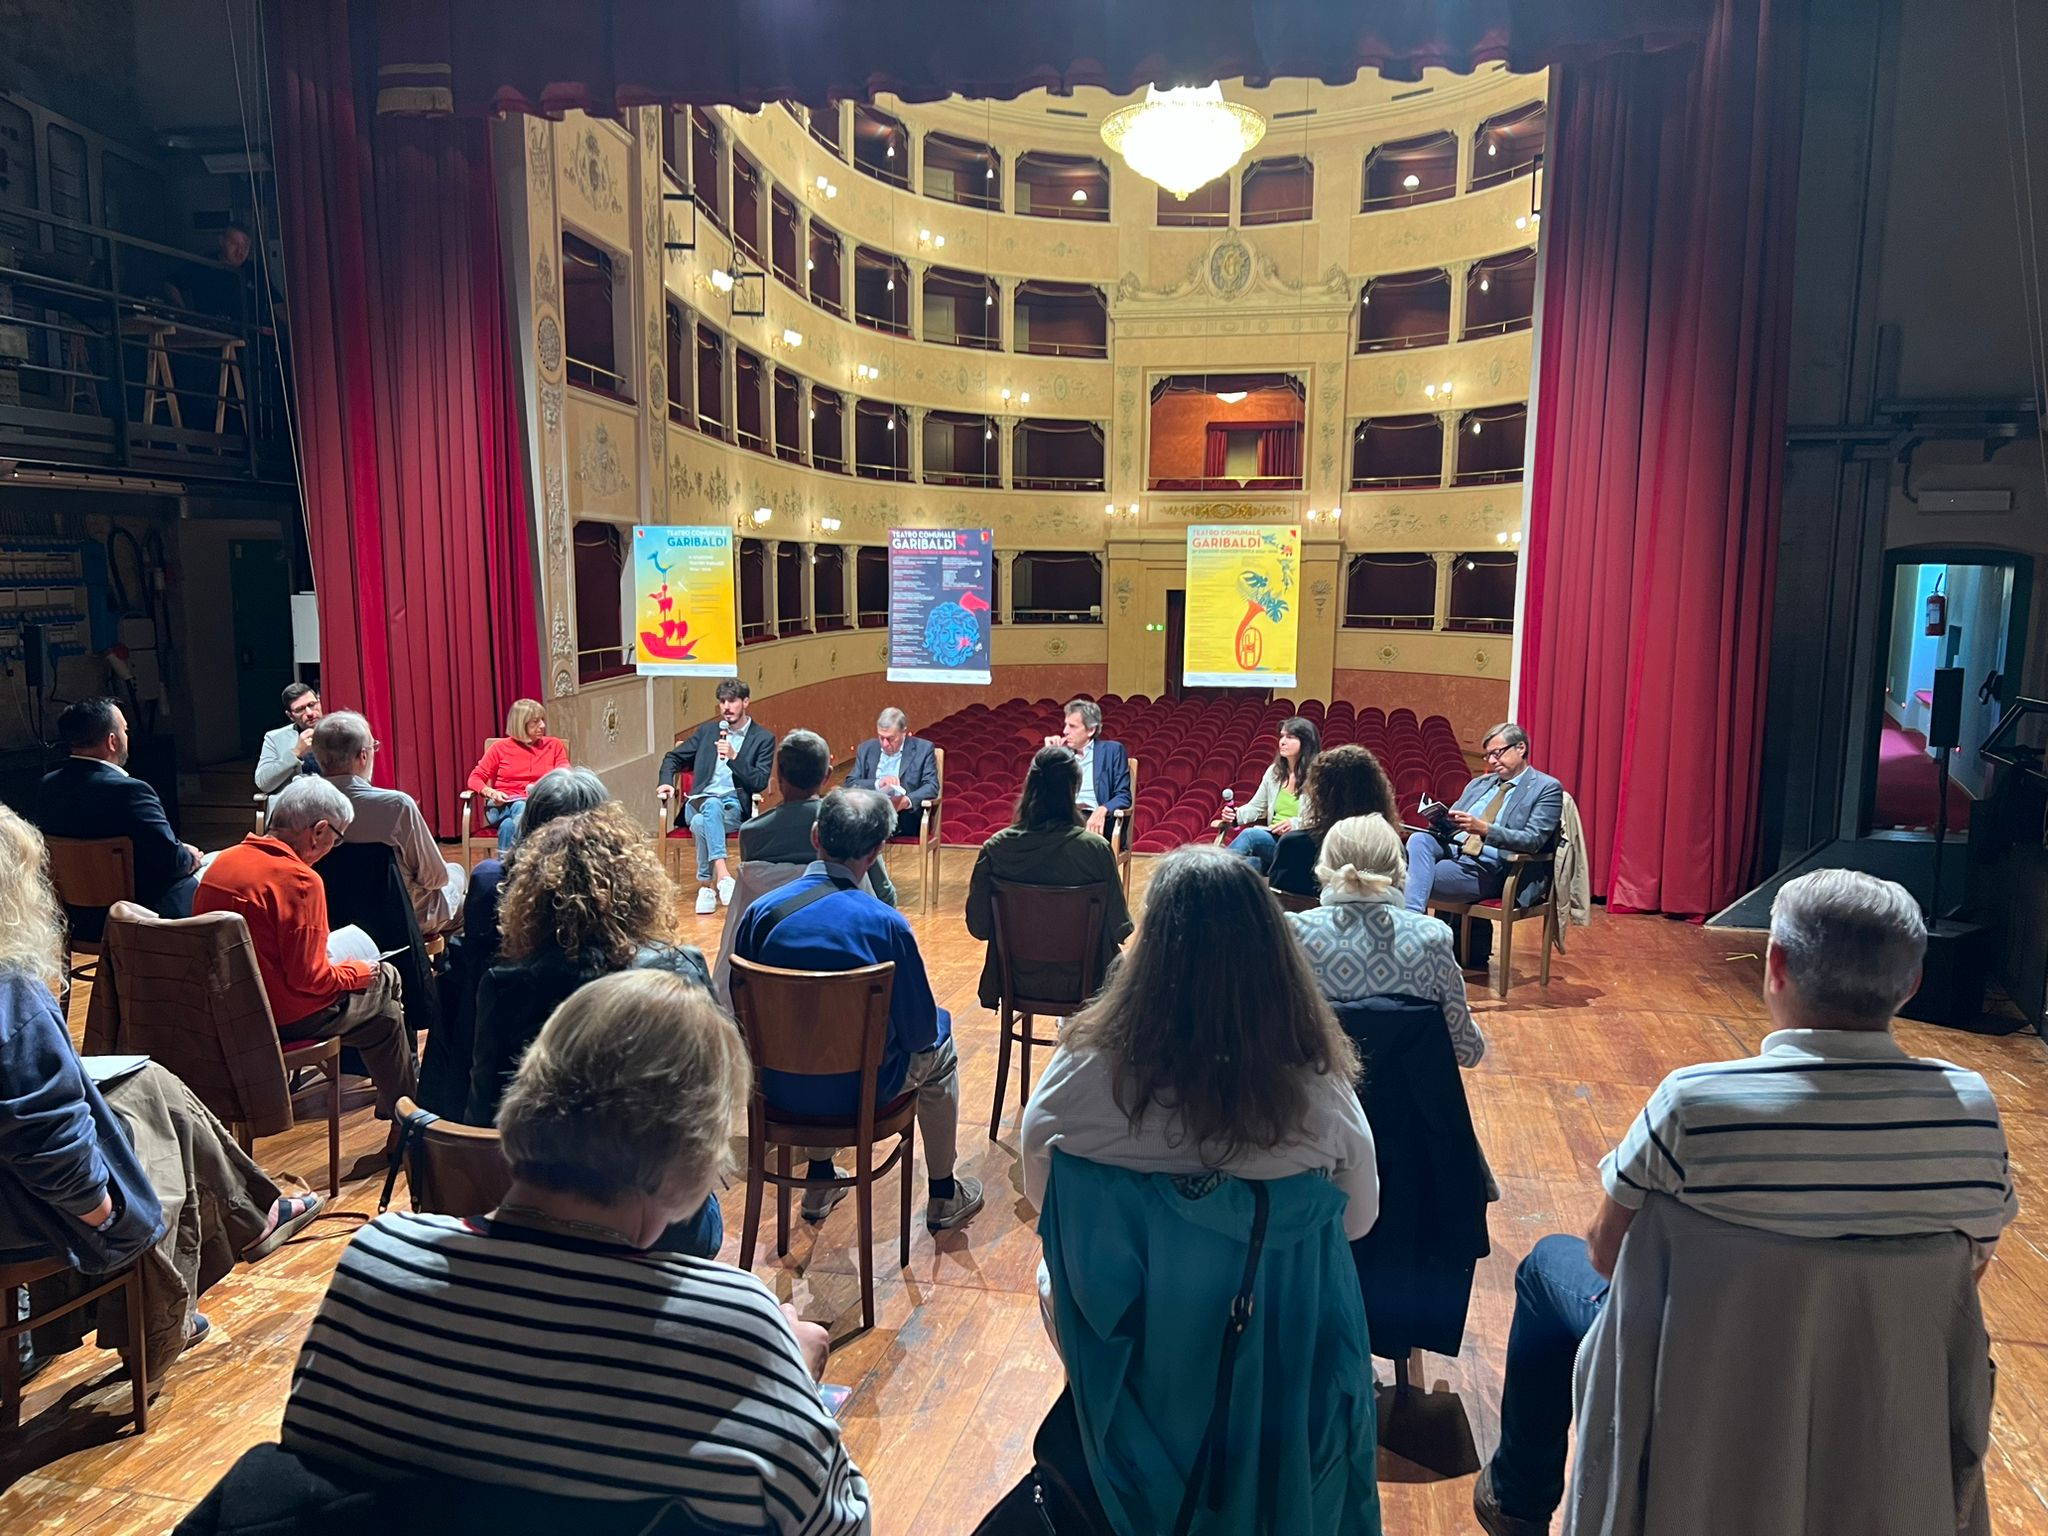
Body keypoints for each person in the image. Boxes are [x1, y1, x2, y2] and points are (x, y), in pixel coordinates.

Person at [1472, 869, 2019, 1536]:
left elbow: (1609, 1256)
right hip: (1880, 1387)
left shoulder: (1694, 1102)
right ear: (1912, 984)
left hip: (1699, 1371)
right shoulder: (1969, 1110)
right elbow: (1965, 1274)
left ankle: (1515, 1503)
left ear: (1776, 964)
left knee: (1546, 1268)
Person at [279, 970, 872, 1533]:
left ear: (527, 1095)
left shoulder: (378, 1260)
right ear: (691, 1159)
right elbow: (844, 1525)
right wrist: (789, 1377)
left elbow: (308, 1475)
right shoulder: (740, 1325)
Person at [0, 805, 322, 1382]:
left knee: (150, 1084)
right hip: (19, 1211)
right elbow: (51, 1150)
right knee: (152, 1147)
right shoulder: (12, 997)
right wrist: (110, 1217)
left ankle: (259, 1213)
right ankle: (161, 1316)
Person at [1019, 846, 1377, 1236]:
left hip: (1117, 1296)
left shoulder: (1081, 1067)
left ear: (1150, 949)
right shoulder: (1319, 1085)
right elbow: (1357, 1221)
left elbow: (1043, 1195)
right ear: (1273, 952)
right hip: (1264, 1297)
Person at [731, 787, 983, 1232]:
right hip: (862, 1094)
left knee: (810, 1037)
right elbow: (921, 1033)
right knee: (940, 1050)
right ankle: (943, 1193)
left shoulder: (760, 915)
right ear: (875, 852)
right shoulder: (885, 924)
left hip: (775, 1089)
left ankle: (821, 1178)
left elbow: (743, 1018)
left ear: (815, 836)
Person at [194, 777, 418, 1133]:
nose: (334, 847)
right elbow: (309, 980)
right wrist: (357, 972)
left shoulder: (220, 865)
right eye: (337, 838)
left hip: (226, 1012)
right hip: (285, 1016)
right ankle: (404, 1125)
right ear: (318, 830)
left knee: (386, 1020)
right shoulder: (301, 881)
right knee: (387, 979)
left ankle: (402, 1118)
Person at [467, 801, 710, 1126]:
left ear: (533, 895)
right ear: (639, 886)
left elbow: (486, 1112)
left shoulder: (505, 983)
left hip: (549, 1164)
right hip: (659, 1161)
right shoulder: (683, 967)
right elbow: (711, 1086)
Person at [421, 767, 610, 1118]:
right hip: (603, 1063)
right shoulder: (615, 892)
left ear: (530, 823)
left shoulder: (491, 880)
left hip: (500, 1056)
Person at [1287, 814, 1483, 1066]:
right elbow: (1468, 1051)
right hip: (1407, 1102)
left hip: (1319, 1101)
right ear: (1399, 867)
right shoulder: (1432, 936)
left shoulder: (1292, 932)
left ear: (1326, 866)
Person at [965, 744, 1133, 1012]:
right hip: (1088, 983)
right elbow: (1119, 927)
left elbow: (979, 926)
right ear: (1074, 790)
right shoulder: (1095, 849)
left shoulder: (996, 848)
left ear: (1029, 785)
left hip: (1017, 980)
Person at [35, 696, 201, 941]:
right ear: (112, 741)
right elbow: (171, 863)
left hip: (75, 920)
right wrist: (190, 856)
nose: (127, 736)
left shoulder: (47, 786)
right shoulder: (131, 791)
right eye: (124, 730)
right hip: (137, 916)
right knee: (218, 877)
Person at [1404, 722, 1562, 970]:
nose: (1492, 760)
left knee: (1403, 879)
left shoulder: (1546, 788)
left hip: (1492, 867)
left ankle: (1409, 934)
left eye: (1497, 753)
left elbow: (1533, 839)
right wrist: (1442, 820)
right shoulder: (1479, 784)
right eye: (1487, 754)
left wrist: (1485, 830)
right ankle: (1413, 925)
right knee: (1419, 839)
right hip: (1455, 852)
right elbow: (1453, 826)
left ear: (1520, 748)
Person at [311, 710, 465, 936]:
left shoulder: (300, 803)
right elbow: (434, 878)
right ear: (363, 755)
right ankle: (437, 968)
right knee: (460, 882)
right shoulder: (395, 806)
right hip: (399, 918)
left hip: (329, 916)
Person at [657, 678, 777, 915]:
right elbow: (673, 758)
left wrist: (734, 758)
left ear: (745, 702)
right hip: (698, 801)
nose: (726, 707)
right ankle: (723, 876)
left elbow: (759, 782)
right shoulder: (707, 732)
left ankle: (706, 887)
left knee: (703, 822)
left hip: (732, 807)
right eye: (722, 702)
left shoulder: (762, 738)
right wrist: (665, 782)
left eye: (732, 701)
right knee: (709, 805)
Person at [741, 729, 894, 903]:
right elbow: (883, 893)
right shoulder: (854, 822)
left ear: (779, 774)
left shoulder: (750, 833)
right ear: (827, 775)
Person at [1269, 744, 1403, 898]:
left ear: (1320, 795)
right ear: (1378, 793)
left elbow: (1278, 908)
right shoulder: (1392, 850)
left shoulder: (1294, 845)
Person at [1218, 714, 1320, 876]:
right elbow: (1257, 806)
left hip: (1303, 846)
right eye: (1282, 736)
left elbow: (1326, 818)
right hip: (1274, 842)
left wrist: (1295, 824)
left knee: (1250, 835)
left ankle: (1211, 872)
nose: (1282, 741)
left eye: (1290, 737)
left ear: (1306, 742)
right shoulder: (1274, 772)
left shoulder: (1320, 776)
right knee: (1242, 869)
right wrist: (1236, 815)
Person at [465, 697, 572, 852]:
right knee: (521, 806)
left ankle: (506, 870)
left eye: (542, 720)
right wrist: (490, 792)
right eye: (535, 721)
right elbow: (475, 778)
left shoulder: (554, 745)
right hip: (502, 806)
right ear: (521, 724)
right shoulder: (499, 748)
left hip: (540, 805)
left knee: (508, 827)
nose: (542, 725)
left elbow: (565, 774)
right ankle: (527, 865)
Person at [1041, 699, 1130, 841]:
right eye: (1065, 725)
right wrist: (1048, 754)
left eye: (1072, 726)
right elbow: (1043, 792)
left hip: (1093, 818)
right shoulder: (1062, 754)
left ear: (1091, 730)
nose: (1065, 731)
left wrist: (1102, 809)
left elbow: (1123, 796)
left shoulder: (1112, 751)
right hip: (1064, 817)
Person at [846, 707, 940, 841]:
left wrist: (906, 801)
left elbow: (931, 786)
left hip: (905, 816)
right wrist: (878, 784)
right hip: (869, 815)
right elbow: (850, 783)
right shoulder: (866, 749)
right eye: (881, 737)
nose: (884, 744)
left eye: (890, 738)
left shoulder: (923, 749)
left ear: (903, 733)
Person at [254, 683, 323, 796]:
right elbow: (263, 783)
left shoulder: (341, 730)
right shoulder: (274, 738)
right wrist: (295, 753)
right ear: (290, 716)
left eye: (312, 705)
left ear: (319, 702)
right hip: (293, 806)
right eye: (300, 709)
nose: (309, 713)